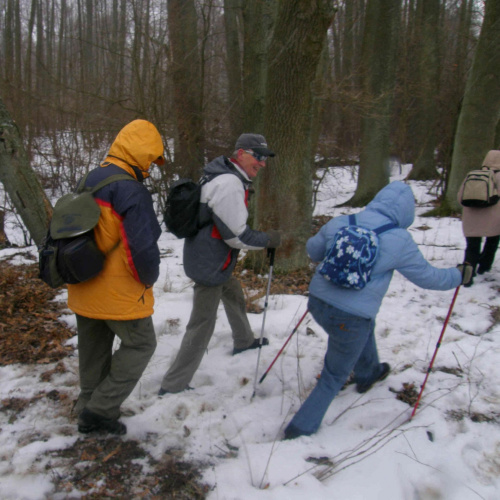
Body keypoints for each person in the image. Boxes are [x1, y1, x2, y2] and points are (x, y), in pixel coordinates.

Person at [284, 181, 472, 439]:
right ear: (406, 211)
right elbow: (429, 278)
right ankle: (299, 430)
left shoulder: (343, 221)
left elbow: (313, 251)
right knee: (334, 375)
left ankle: (368, 372)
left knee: (363, 327)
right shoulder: (399, 239)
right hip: (349, 318)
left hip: (317, 302)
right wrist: (457, 275)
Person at [159, 133, 281, 395]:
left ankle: (244, 341)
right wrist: (268, 240)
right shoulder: (229, 183)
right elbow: (237, 236)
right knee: (202, 324)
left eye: (264, 158)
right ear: (241, 153)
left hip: (207, 256)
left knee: (233, 291)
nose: (262, 163)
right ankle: (174, 384)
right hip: (209, 264)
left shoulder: (223, 174)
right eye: (257, 156)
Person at [69, 119, 165, 435]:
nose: (151, 165)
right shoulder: (130, 189)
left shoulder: (90, 178)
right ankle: (100, 411)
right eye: (151, 158)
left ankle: (86, 405)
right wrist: (149, 280)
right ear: (140, 153)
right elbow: (142, 249)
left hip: (83, 282)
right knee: (141, 344)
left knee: (93, 348)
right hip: (118, 291)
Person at [458, 150, 500, 287]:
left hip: (471, 218)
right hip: (494, 219)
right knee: (492, 242)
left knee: (471, 247)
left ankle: (467, 276)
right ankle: (484, 266)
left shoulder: (472, 175)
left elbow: (460, 198)